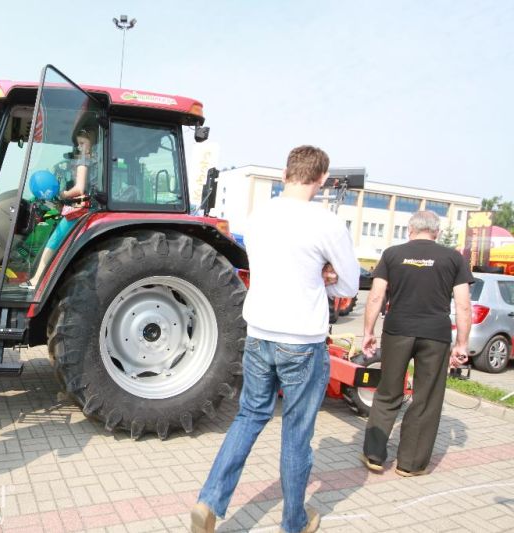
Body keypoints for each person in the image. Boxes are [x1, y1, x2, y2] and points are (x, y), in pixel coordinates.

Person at [191, 146, 359, 533]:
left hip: (260, 334)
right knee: (297, 432)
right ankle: (294, 522)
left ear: (286, 174)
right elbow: (349, 283)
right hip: (301, 340)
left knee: (249, 416)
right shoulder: (326, 223)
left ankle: (209, 501)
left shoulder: (260, 216)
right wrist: (325, 279)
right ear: (320, 179)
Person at [360, 210, 472, 477]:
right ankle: (410, 464)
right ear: (437, 232)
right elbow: (463, 305)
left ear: (410, 229)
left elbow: (376, 297)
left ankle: (374, 455)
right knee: (427, 397)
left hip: (398, 330)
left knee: (388, 390)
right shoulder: (454, 258)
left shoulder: (392, 254)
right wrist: (462, 344)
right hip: (436, 334)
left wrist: (368, 331)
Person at [20, 128, 96, 289]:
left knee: (53, 243)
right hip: (83, 208)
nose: (80, 147)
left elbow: (80, 188)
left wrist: (63, 194)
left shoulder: (83, 161)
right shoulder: (95, 162)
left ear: (91, 142)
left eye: (83, 143)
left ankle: (37, 280)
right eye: (78, 144)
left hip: (77, 211)